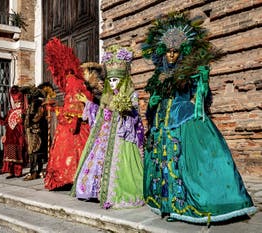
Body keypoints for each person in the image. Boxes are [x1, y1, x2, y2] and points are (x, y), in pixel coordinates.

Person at [142, 11, 257, 223]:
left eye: (176, 51)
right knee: (164, 164)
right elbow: (151, 104)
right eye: (169, 51)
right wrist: (153, 101)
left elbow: (202, 99)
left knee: (185, 164)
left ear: (183, 51)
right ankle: (167, 205)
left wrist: (203, 81)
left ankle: (182, 207)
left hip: (183, 121)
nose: (172, 55)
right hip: (161, 124)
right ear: (163, 51)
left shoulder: (189, 71)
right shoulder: (158, 75)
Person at [71, 45, 145, 209]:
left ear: (123, 79)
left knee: (119, 165)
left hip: (121, 135)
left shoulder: (131, 93)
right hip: (104, 134)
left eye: (116, 80)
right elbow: (100, 114)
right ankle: (94, 191)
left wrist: (125, 110)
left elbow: (135, 117)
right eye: (110, 80)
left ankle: (112, 191)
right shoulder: (106, 95)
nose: (112, 84)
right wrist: (90, 106)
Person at [44, 38, 93, 190]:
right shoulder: (75, 80)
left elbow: (74, 107)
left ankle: (70, 178)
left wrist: (59, 113)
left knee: (71, 151)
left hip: (74, 127)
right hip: (77, 123)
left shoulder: (72, 80)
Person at [0, 85, 25, 179]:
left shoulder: (24, 112)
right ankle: (10, 172)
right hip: (10, 136)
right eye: (17, 102)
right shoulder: (10, 112)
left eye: (20, 102)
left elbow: (24, 124)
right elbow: (4, 122)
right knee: (10, 154)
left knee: (18, 154)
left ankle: (18, 172)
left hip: (19, 136)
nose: (18, 104)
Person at [21, 83, 52, 181]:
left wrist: (30, 121)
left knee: (34, 152)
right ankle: (37, 171)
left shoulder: (37, 104)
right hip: (33, 130)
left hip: (35, 131)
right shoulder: (34, 104)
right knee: (34, 152)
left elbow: (37, 117)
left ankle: (34, 172)